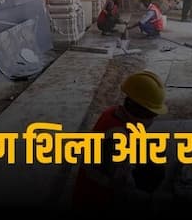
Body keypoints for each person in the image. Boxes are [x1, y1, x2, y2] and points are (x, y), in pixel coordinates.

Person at [72, 71, 168, 209]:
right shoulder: (118, 140)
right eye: (151, 115)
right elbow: (123, 189)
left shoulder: (113, 112)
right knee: (154, 173)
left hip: (95, 182)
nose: (152, 120)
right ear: (140, 112)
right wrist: (153, 200)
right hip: (98, 198)